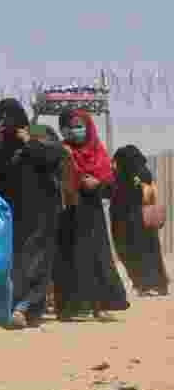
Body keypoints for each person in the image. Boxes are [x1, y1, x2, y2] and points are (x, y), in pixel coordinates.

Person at [0, 99, 68, 329]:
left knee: (38, 259)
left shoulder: (39, 132)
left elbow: (56, 155)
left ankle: (25, 307)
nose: (6, 122)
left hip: (43, 209)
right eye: (1, 117)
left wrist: (29, 141)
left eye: (10, 116)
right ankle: (19, 306)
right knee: (16, 261)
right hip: (12, 210)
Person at [53, 109, 129, 321]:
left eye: (79, 126)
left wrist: (98, 183)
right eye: (70, 126)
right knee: (69, 257)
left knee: (96, 258)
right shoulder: (60, 150)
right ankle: (69, 308)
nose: (74, 130)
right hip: (67, 212)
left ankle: (99, 306)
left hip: (92, 213)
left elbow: (110, 184)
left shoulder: (98, 152)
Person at [111, 144, 168, 297]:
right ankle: (159, 284)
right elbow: (149, 193)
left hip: (126, 218)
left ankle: (143, 284)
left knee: (130, 251)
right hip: (143, 217)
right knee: (150, 251)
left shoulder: (122, 174)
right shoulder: (143, 171)